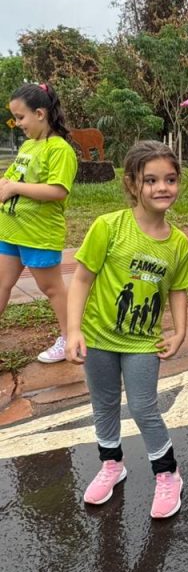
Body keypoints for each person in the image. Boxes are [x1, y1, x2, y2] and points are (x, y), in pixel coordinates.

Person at [66, 141, 188, 518]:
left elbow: (178, 290)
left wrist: (181, 331)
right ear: (132, 184)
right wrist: (73, 330)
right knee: (103, 403)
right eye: (151, 180)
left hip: (143, 342)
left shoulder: (178, 243)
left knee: (143, 406)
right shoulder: (108, 226)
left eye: (170, 179)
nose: (162, 188)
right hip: (98, 337)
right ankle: (112, 463)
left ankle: (167, 473)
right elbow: (81, 280)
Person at [0, 83, 78, 363]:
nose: (18, 124)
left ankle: (71, 338)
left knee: (52, 288)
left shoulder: (59, 150)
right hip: (11, 230)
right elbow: (11, 178)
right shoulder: (29, 146)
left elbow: (58, 191)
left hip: (38, 234)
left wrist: (15, 189)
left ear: (41, 113)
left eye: (21, 117)